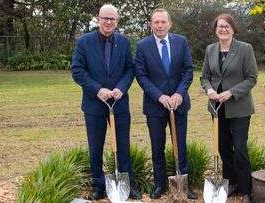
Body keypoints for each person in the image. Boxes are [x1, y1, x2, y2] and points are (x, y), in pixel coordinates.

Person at [71, 4, 141, 201]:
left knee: (123, 146)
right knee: (96, 147)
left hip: (119, 104)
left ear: (117, 21)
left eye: (113, 19)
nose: (109, 22)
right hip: (94, 105)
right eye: (105, 18)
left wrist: (121, 87)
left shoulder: (124, 42)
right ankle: (99, 186)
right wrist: (97, 89)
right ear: (98, 19)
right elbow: (77, 70)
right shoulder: (84, 42)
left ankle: (126, 185)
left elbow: (130, 69)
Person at [134, 8, 196, 200]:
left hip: (179, 104)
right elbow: (141, 75)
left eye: (163, 22)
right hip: (155, 106)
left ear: (170, 24)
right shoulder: (143, 46)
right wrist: (159, 96)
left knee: (181, 145)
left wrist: (179, 93)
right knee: (157, 146)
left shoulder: (181, 42)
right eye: (156, 22)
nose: (159, 25)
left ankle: (183, 185)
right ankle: (159, 184)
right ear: (151, 24)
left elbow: (188, 70)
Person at [200, 13, 258, 203]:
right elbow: (205, 76)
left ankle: (246, 189)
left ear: (233, 29)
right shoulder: (210, 49)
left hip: (239, 107)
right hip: (217, 108)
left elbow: (252, 78)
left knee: (240, 148)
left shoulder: (245, 49)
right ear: (215, 29)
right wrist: (209, 90)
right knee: (223, 148)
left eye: (226, 26)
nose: (223, 29)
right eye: (220, 26)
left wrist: (232, 92)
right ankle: (231, 183)